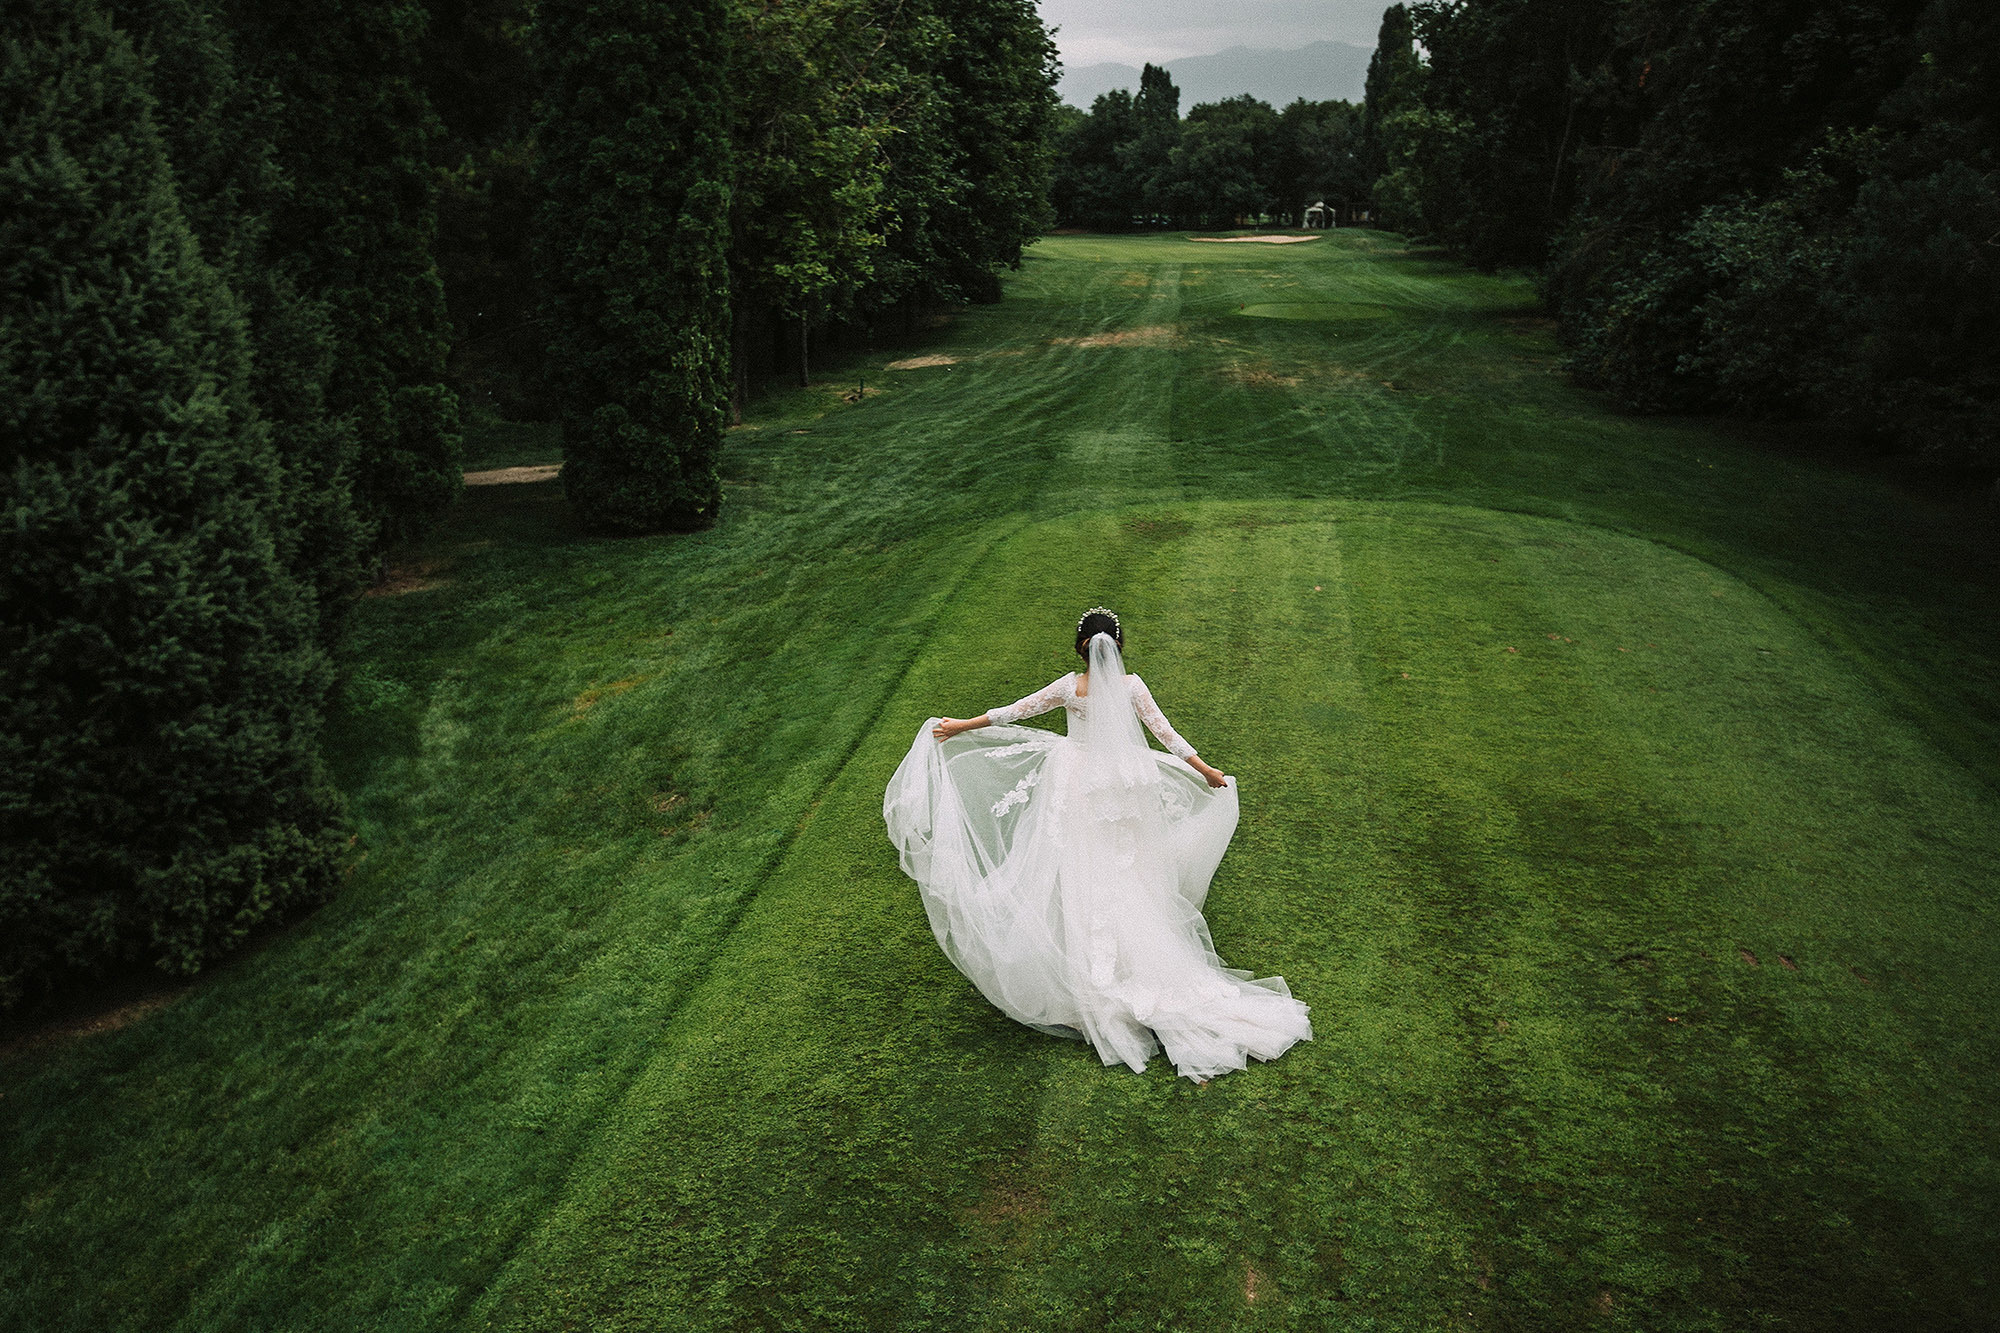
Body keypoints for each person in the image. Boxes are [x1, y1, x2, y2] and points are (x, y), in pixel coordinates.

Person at [883, 607, 1313, 1082]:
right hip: (1121, 787)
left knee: (1071, 864)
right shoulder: (1132, 688)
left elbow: (1015, 711)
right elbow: (1165, 733)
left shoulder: (1070, 687)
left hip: (1076, 783)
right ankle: (1134, 958)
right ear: (1120, 647)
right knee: (1124, 867)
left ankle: (1081, 967)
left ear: (1079, 649)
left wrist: (960, 726)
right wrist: (1207, 770)